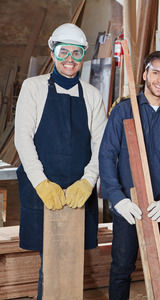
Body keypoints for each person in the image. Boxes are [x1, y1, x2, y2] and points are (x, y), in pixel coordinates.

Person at [14, 23, 107, 299]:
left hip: (79, 191)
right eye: (63, 51)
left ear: (83, 57)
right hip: (44, 190)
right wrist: (42, 183)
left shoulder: (92, 95)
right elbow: (23, 139)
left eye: (76, 53)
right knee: (50, 263)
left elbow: (100, 145)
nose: (70, 59)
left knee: (72, 261)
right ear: (52, 53)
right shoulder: (33, 88)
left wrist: (88, 181)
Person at [99, 51, 160, 299]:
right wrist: (118, 199)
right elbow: (106, 155)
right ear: (144, 74)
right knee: (121, 268)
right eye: (155, 72)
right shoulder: (123, 111)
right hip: (129, 206)